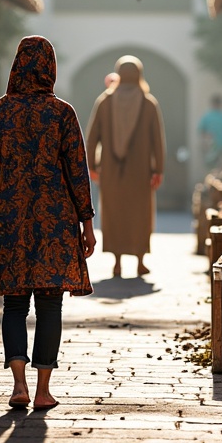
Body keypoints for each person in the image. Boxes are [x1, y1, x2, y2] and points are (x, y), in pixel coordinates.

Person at [0, 36, 96, 411]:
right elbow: (78, 171)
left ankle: (18, 386)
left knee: (14, 305)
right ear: (49, 67)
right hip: (55, 220)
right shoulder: (62, 113)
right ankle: (43, 389)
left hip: (9, 217)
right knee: (49, 306)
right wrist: (87, 223)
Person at [86, 55, 165, 278]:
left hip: (111, 170)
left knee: (114, 213)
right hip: (140, 171)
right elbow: (157, 140)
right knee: (140, 214)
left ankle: (117, 262)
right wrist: (158, 169)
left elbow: (92, 138)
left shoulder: (105, 101)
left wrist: (91, 165)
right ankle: (140, 261)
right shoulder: (149, 103)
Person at [198, 94, 222, 168]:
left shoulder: (206, 117)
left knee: (211, 170)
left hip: (211, 148)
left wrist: (204, 145)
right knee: (221, 169)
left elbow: (201, 132)